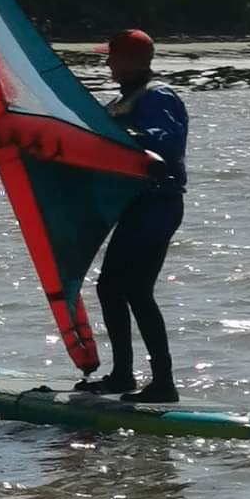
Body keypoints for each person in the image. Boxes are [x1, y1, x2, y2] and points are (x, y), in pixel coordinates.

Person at [76, 28, 187, 404]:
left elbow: (164, 141)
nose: (107, 63)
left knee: (134, 290)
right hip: (136, 205)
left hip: (158, 205)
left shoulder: (159, 95)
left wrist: (125, 138)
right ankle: (123, 374)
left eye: (112, 57)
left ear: (131, 60)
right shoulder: (123, 100)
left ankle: (163, 383)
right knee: (111, 287)